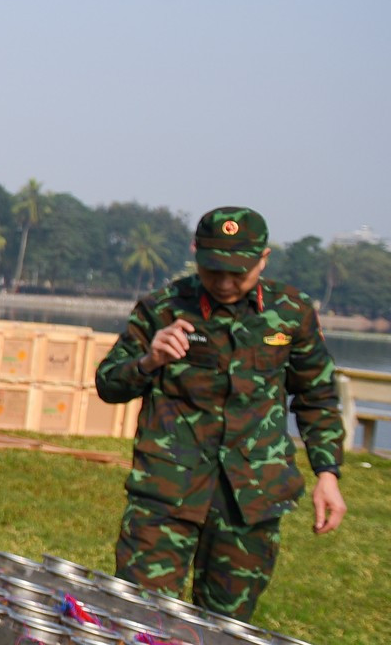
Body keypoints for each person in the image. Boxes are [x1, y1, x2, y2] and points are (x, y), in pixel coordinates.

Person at [95, 206, 345, 619]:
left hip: (251, 498)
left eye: (239, 272)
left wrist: (328, 474)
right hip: (167, 491)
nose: (226, 283)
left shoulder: (291, 312)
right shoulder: (162, 309)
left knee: (226, 632)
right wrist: (149, 360)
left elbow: (316, 396)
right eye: (214, 271)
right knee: (142, 618)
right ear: (196, 254)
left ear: (263, 259)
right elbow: (108, 383)